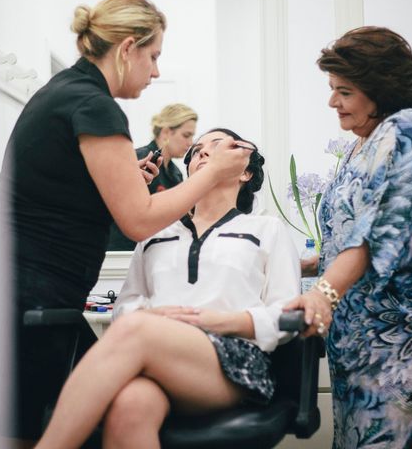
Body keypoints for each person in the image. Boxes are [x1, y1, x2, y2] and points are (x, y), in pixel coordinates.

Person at [0, 0, 250, 442]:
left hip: (16, 288)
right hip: (32, 297)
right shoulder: (94, 105)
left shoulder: (63, 92)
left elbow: (73, 196)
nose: (157, 71)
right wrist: (212, 176)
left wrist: (132, 181)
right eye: (153, 56)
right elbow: (138, 221)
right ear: (127, 49)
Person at [34, 128, 301, 449]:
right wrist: (153, 316)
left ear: (244, 170)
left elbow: (285, 314)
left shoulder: (266, 229)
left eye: (218, 147)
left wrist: (217, 321)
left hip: (235, 363)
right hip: (153, 350)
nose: (203, 153)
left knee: (138, 330)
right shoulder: (155, 231)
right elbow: (126, 308)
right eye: (197, 150)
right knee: (130, 406)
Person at [286, 26, 412, 448]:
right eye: (333, 89)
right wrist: (301, 265)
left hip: (406, 344)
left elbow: (376, 236)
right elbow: (347, 234)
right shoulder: (360, 145)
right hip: (361, 341)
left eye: (344, 91)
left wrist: (321, 295)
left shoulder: (409, 130)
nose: (332, 101)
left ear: (379, 89)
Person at [107, 103, 198, 250]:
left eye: (192, 136)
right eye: (186, 135)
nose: (190, 143)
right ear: (166, 132)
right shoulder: (140, 159)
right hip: (122, 251)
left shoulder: (176, 173)